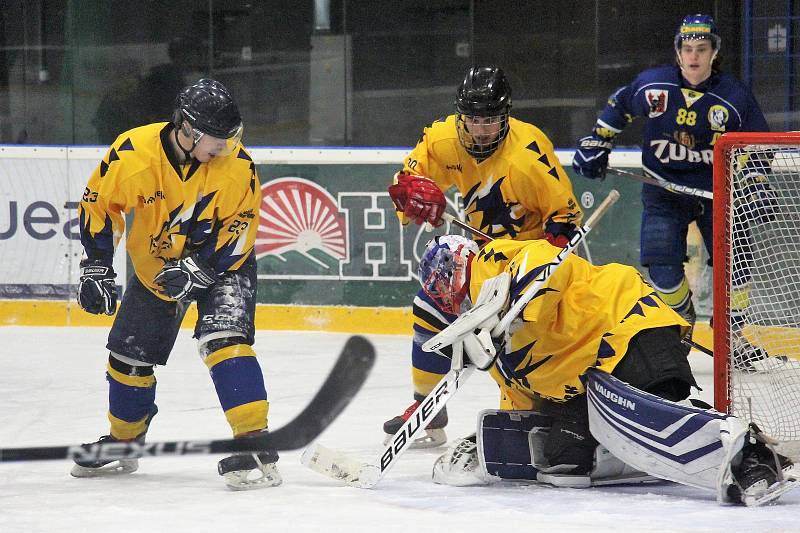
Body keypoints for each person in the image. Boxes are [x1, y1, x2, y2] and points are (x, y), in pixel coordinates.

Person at [419, 234, 796, 506]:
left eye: (450, 276)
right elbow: (522, 401)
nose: (452, 290)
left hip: (629, 327)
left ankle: (750, 456)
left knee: (642, 422)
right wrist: (500, 439)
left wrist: (518, 305)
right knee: (562, 465)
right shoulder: (487, 339)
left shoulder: (494, 262)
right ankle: (646, 449)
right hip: (591, 381)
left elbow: (544, 259)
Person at [72, 78, 281, 491]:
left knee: (225, 339)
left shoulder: (237, 163)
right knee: (129, 357)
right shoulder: (133, 154)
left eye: (229, 137)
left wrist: (201, 269)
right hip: (159, 268)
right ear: (188, 129)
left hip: (223, 264)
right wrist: (97, 266)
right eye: (217, 140)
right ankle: (124, 442)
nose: (225, 146)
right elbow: (99, 203)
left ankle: (253, 440)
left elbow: (241, 227)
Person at [384, 66, 583, 447]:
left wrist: (545, 263)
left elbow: (565, 217)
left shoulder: (529, 153)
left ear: (505, 116)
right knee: (431, 302)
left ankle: (526, 414)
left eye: (489, 120)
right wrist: (412, 198)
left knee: (516, 343)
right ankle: (427, 406)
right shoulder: (443, 139)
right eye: (472, 119)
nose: (479, 129)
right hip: (485, 253)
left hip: (528, 259)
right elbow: (407, 180)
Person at [572, 14, 775, 368]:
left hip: (718, 194)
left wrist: (757, 184)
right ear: (678, 53)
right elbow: (619, 105)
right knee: (662, 267)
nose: (694, 56)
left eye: (702, 48)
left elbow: (757, 145)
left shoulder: (733, 97)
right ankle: (681, 320)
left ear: (714, 53)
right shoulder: (654, 87)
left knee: (737, 266)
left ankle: (732, 333)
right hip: (664, 190)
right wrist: (598, 142)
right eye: (687, 49)